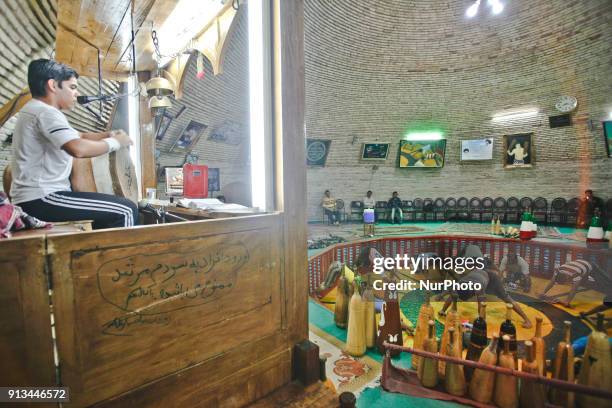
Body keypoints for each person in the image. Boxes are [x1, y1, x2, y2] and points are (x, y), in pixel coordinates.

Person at [10, 59, 138, 230]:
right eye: (72, 87)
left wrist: (108, 134)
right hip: (42, 198)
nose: (76, 94)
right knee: (126, 209)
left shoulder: (36, 109)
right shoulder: (45, 113)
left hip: (34, 197)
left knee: (108, 212)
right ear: (53, 85)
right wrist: (115, 142)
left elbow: (81, 135)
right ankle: (123, 258)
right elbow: (77, 148)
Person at [438, 245, 532, 328]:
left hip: (492, 279)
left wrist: (481, 321)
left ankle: (527, 320)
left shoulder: (478, 288)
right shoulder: (462, 283)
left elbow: (482, 305)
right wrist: (443, 309)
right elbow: (452, 293)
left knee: (506, 298)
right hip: (480, 275)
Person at [538, 259, 610, 307]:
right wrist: (543, 293)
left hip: (592, 267)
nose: (567, 284)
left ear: (567, 278)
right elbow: (551, 282)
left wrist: (567, 301)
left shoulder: (576, 274)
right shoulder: (558, 271)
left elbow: (574, 289)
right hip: (581, 264)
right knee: (584, 280)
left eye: (565, 282)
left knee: (606, 282)